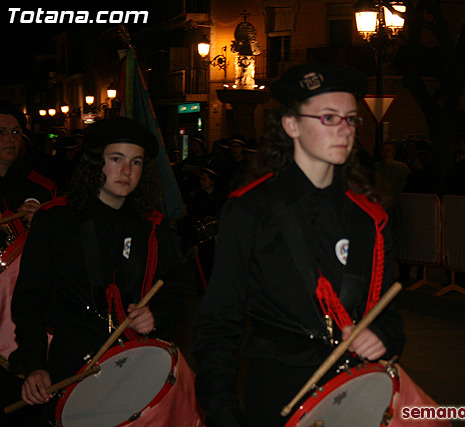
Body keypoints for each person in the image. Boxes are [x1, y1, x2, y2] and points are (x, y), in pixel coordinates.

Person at [192, 63, 405, 426]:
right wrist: (222, 410)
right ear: (291, 125)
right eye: (328, 118)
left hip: (355, 386)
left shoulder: (369, 216)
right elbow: (218, 321)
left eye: (351, 119)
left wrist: (381, 337)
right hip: (279, 386)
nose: (344, 130)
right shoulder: (249, 210)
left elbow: (389, 314)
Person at [9, 116, 185, 424]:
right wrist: (35, 364)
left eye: (136, 162)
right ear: (95, 163)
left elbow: (174, 289)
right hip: (71, 365)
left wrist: (157, 315)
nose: (127, 171)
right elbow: (29, 301)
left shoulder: (152, 226)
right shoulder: (55, 221)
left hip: (135, 363)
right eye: (116, 159)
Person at [0, 100, 57, 426]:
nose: (11, 138)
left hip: (30, 318)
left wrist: (47, 226)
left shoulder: (43, 187)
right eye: (2, 132)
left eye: (16, 132)